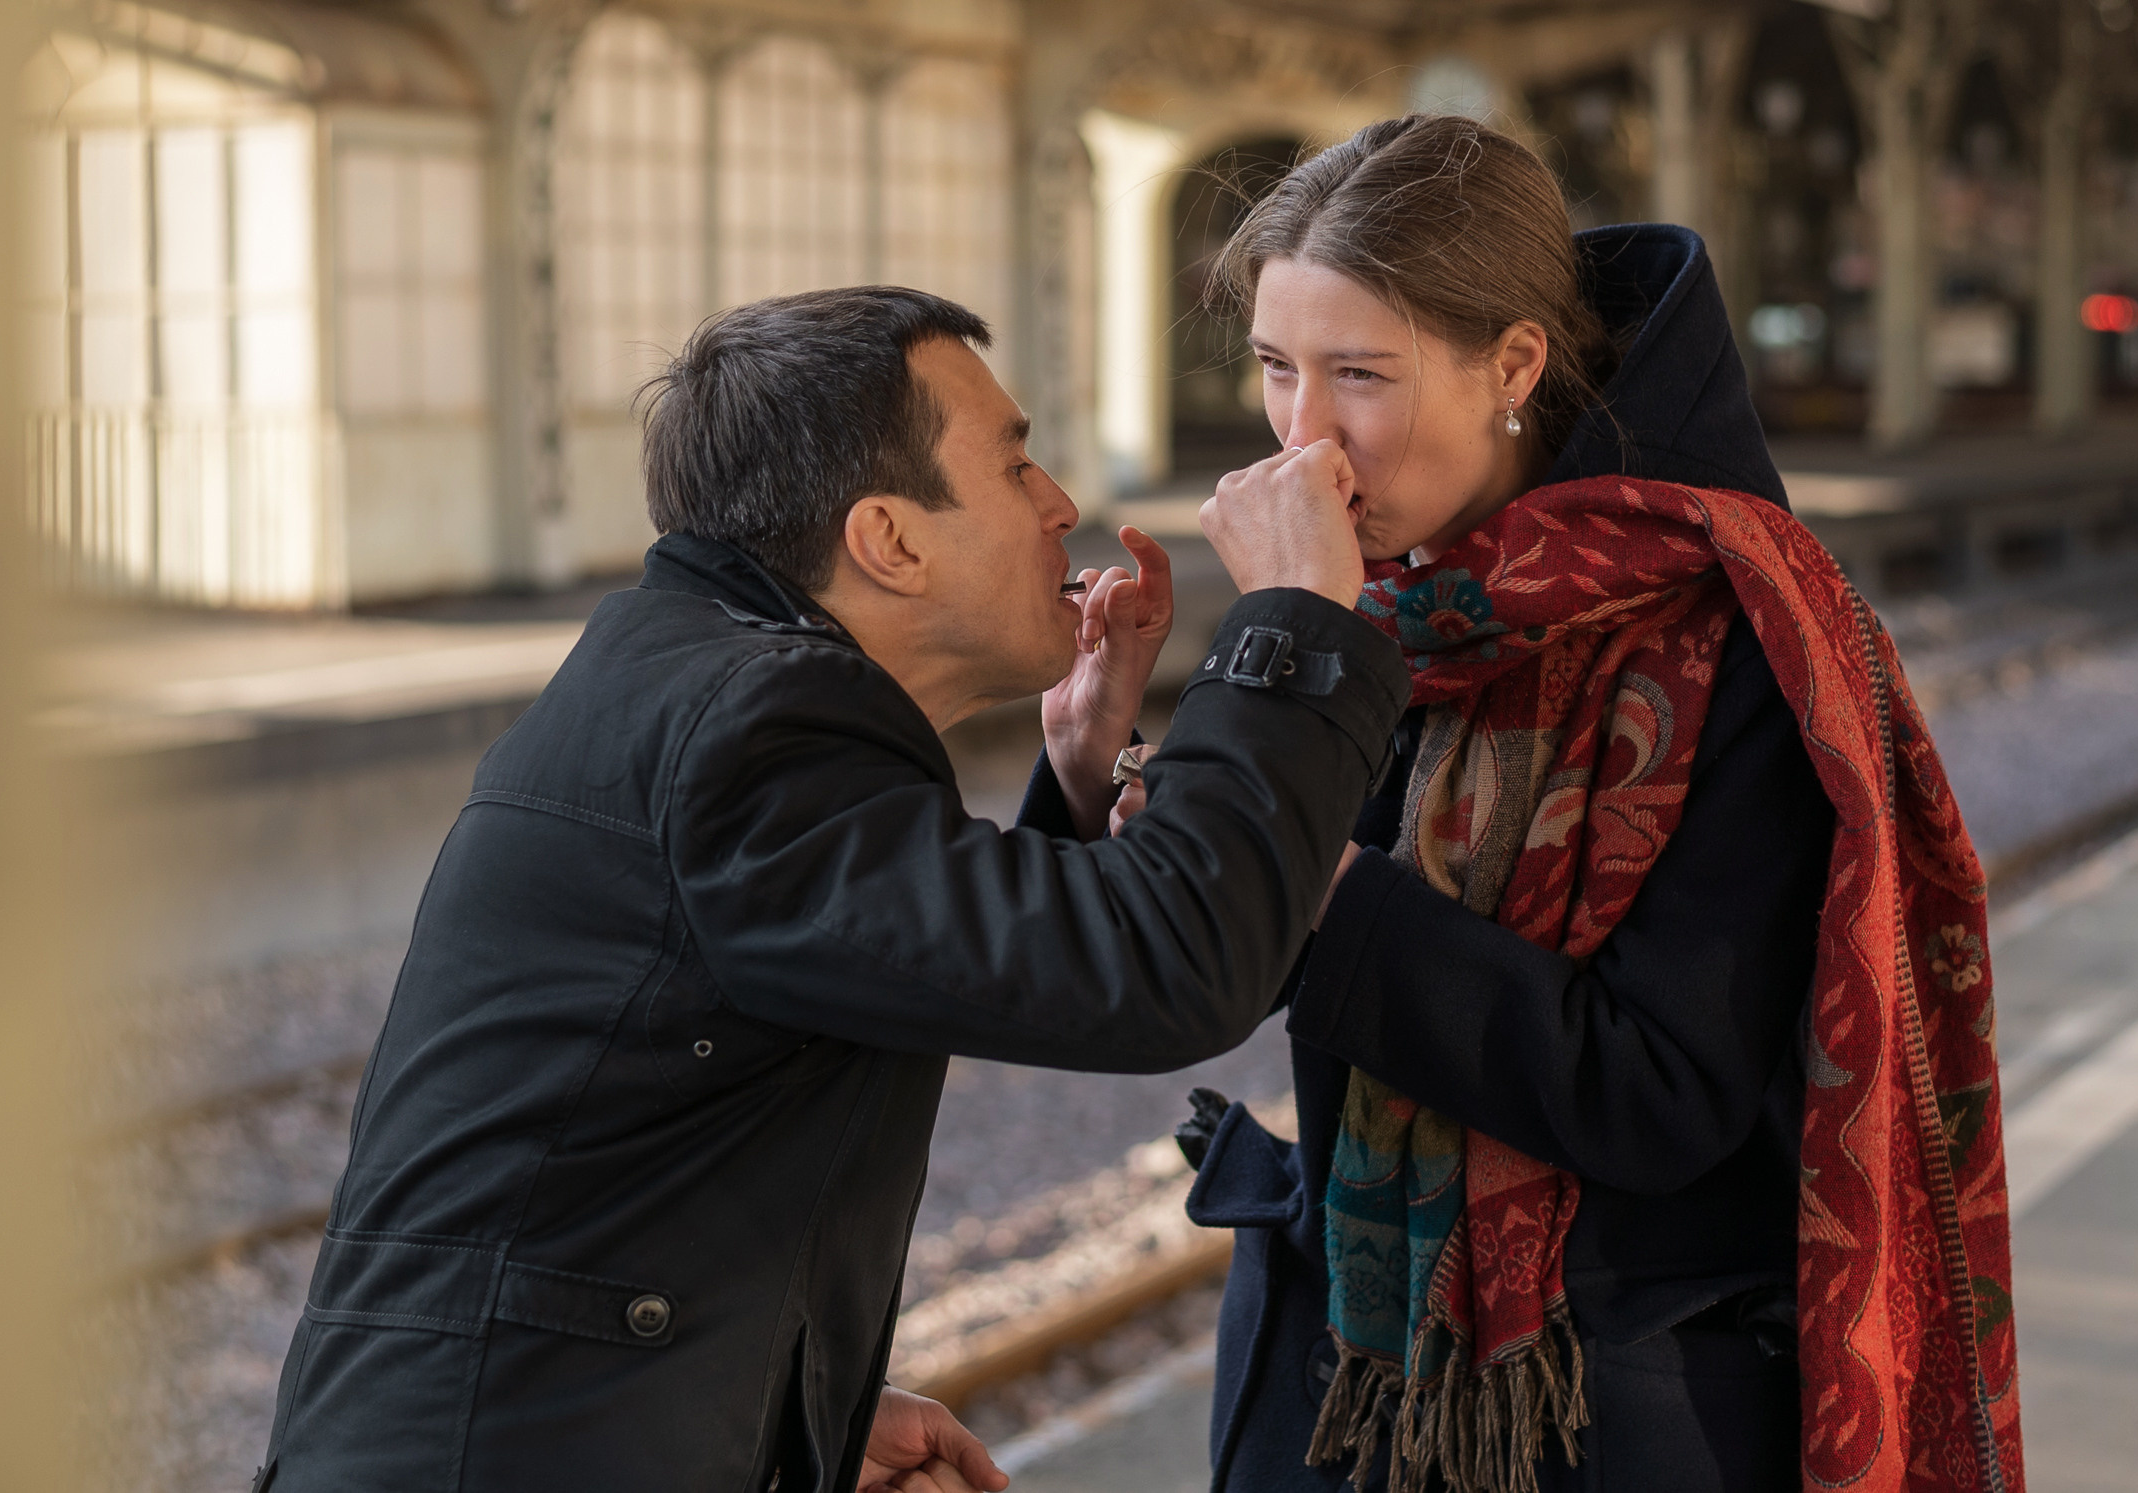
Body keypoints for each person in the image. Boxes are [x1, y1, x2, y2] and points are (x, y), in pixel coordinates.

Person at [254, 287, 1411, 1493]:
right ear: (888, 540)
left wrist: (765, 1415)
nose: (1060, 504)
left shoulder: (692, 678)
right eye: (1014, 465)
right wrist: (1288, 624)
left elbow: (935, 964)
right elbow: (1168, 966)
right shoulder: (750, 728)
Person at [1095, 117, 2021, 1493]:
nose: (1303, 438)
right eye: (1276, 367)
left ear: (1514, 366)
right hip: (1345, 1379)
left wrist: (1320, 878)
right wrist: (1099, 760)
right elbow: (1192, 962)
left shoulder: (1734, 628)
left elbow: (1656, 1092)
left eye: (1360, 374)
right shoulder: (1384, 600)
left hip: (1612, 1414)